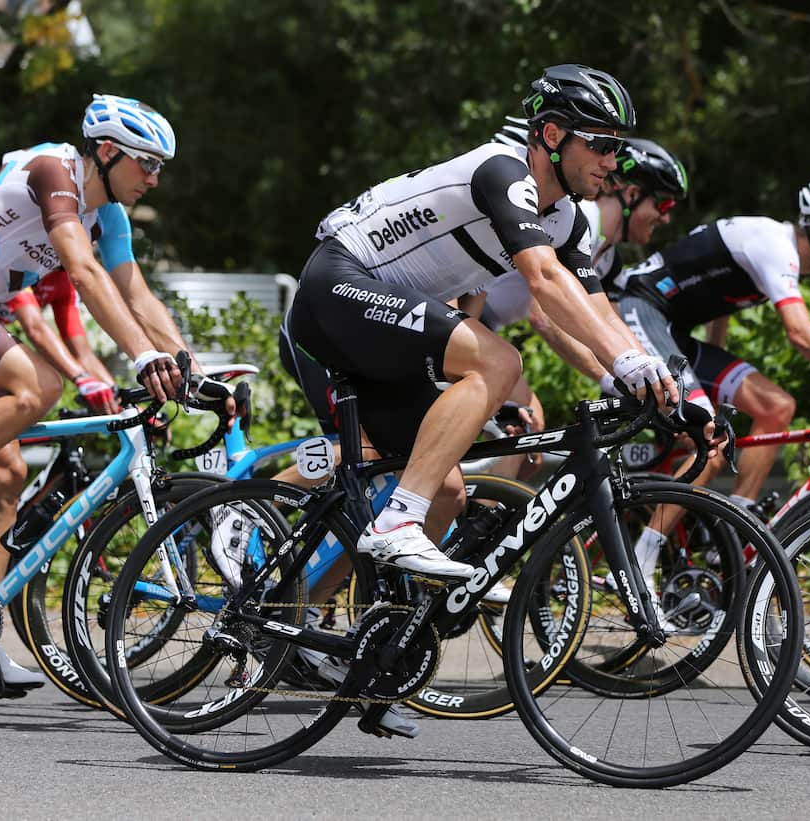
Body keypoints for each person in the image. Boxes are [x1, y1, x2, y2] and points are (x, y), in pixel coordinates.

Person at [0, 94, 231, 687]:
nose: (154, 179)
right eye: (147, 163)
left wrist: (189, 364)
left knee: (7, 475)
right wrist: (142, 358)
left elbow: (138, 296)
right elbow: (84, 273)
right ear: (108, 151)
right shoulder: (53, 170)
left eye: (161, 167)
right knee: (37, 382)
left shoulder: (107, 216)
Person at [286, 62, 675, 585]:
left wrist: (658, 380)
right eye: (601, 143)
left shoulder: (567, 221)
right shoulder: (503, 171)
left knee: (445, 493)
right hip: (337, 283)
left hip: (381, 319)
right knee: (498, 361)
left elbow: (597, 309)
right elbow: (543, 280)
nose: (612, 160)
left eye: (618, 147)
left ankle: (304, 610)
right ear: (553, 136)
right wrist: (626, 365)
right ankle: (395, 520)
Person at [613, 172, 810, 597]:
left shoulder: (774, 251)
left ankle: (735, 531)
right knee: (711, 444)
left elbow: (718, 303)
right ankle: (635, 567)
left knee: (776, 406)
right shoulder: (777, 246)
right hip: (636, 310)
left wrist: (711, 390)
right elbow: (801, 333)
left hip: (675, 333)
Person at [463, 124, 689, 480]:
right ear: (630, 195)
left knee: (526, 434)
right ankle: (475, 527)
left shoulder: (608, 257)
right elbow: (545, 316)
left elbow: (611, 323)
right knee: (527, 421)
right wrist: (609, 377)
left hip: (482, 325)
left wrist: (657, 381)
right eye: (663, 203)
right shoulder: (580, 222)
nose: (667, 217)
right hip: (467, 318)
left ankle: (479, 521)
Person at [7, 267, 119, 414]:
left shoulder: (64, 281)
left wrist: (118, 397)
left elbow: (83, 354)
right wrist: (83, 380)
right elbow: (35, 329)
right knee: (40, 386)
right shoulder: (19, 266)